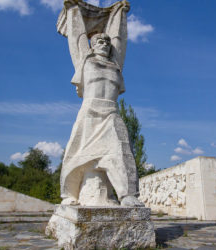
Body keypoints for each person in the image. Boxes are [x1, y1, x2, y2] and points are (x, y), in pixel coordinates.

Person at [58, 0, 143, 207]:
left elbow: (119, 39)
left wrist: (120, 13)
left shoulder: (115, 65)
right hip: (90, 111)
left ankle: (127, 195)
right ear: (92, 46)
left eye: (106, 42)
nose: (104, 44)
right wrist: (74, 12)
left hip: (111, 113)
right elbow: (78, 38)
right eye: (99, 42)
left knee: (122, 152)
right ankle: (70, 195)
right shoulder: (85, 61)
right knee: (76, 153)